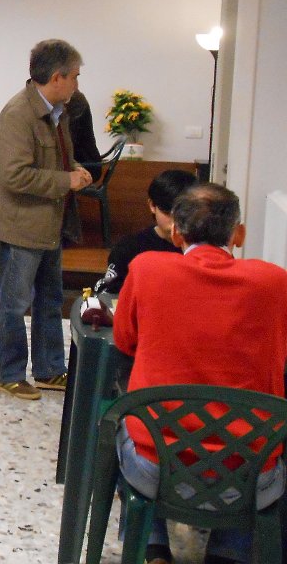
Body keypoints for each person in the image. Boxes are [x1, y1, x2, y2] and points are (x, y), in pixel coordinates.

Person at [113, 183, 287, 564]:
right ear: (238, 234)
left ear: (176, 232)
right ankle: (229, 553)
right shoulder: (275, 282)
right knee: (252, 451)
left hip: (156, 468)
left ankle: (152, 546)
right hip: (249, 478)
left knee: (124, 420)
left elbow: (124, 341)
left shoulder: (146, 269)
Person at [0, 39, 93, 401]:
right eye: (74, 76)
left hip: (49, 223)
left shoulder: (58, 110)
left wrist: (74, 168)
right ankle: (8, 373)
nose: (77, 84)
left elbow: (56, 158)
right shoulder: (19, 114)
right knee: (13, 304)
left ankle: (48, 369)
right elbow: (13, 175)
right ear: (57, 77)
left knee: (49, 299)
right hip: (22, 226)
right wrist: (66, 181)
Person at [94, 168, 197, 294]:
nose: (175, 220)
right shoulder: (130, 248)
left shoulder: (203, 247)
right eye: (167, 212)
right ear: (152, 206)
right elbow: (108, 291)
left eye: (184, 212)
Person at [66, 88, 103, 182]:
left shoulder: (74, 100)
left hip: (86, 166)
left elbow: (68, 142)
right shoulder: (75, 97)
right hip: (87, 161)